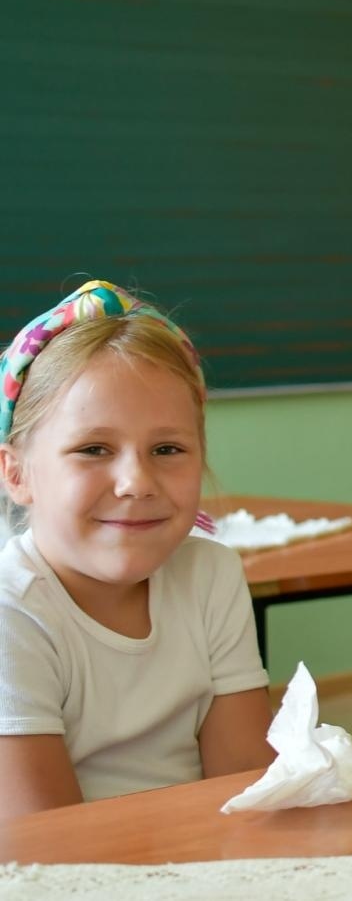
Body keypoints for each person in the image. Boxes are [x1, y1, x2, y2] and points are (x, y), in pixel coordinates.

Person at [0, 281, 273, 818]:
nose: (135, 482)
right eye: (93, 449)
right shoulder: (14, 611)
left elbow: (248, 794)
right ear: (15, 473)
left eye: (167, 448)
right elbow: (46, 845)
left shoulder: (210, 574)